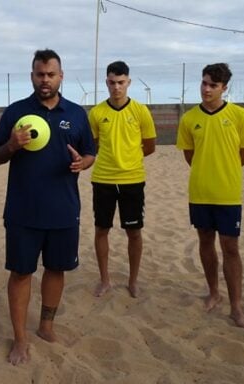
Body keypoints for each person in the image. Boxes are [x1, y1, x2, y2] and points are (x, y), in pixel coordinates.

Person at [0, 49, 96, 365]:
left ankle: (46, 326)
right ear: (32, 75)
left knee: (56, 269)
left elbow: (91, 152)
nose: (45, 80)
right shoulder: (15, 112)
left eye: (51, 74)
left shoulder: (77, 114)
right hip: (23, 210)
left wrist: (82, 162)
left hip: (64, 209)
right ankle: (20, 339)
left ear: (61, 76)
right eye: (40, 74)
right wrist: (12, 144)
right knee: (21, 273)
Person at [175, 63, 244, 329]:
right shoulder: (189, 119)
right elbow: (190, 156)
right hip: (200, 192)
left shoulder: (240, 115)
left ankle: (236, 306)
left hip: (228, 194)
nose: (207, 89)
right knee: (205, 242)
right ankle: (213, 292)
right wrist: (207, 172)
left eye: (213, 85)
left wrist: (224, 172)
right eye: (204, 83)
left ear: (224, 88)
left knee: (231, 248)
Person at [88, 60, 156, 298]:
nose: (116, 87)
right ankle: (105, 279)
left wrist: (129, 160)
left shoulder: (140, 111)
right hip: (103, 179)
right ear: (106, 82)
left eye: (121, 82)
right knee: (101, 229)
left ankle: (133, 280)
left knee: (134, 232)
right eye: (112, 82)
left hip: (133, 180)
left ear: (128, 82)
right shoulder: (96, 113)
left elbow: (149, 146)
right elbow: (93, 146)